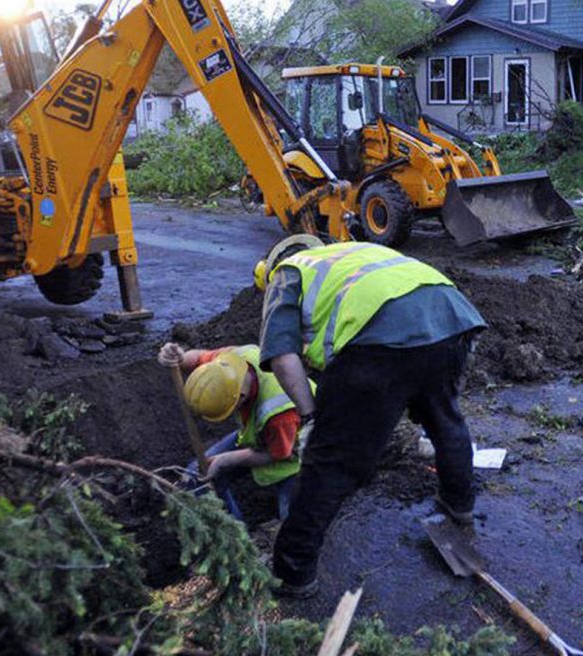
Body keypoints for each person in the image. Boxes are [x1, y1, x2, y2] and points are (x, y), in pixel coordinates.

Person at [253, 241, 486, 599]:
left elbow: (283, 358)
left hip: (381, 340)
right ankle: (460, 507)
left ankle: (292, 573)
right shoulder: (350, 254)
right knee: (445, 420)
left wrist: (311, 415)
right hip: (451, 316)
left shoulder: (287, 274)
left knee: (329, 462)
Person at [157, 342, 315, 523]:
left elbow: (278, 454)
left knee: (294, 525)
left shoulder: (279, 412)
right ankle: (236, 537)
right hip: (262, 437)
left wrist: (225, 460)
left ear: (240, 397)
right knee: (198, 474)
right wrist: (179, 358)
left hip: (297, 455)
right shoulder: (230, 362)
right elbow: (198, 358)